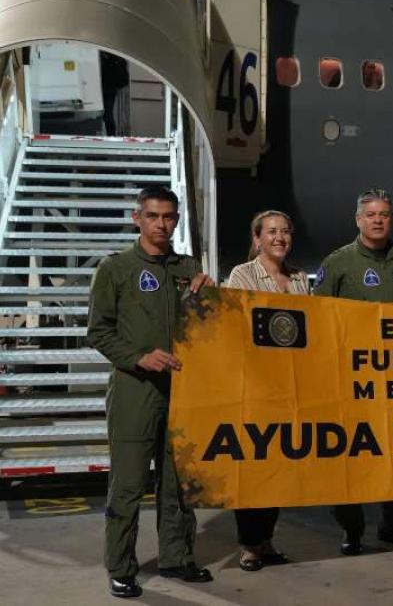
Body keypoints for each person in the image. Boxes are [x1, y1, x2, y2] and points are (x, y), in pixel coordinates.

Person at [87, 186, 215, 598]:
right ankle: (121, 566)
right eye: (154, 216)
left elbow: (204, 329)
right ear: (137, 218)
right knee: (128, 484)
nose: (162, 225)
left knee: (178, 483)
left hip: (183, 390)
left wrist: (208, 299)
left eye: (170, 217)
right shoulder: (116, 269)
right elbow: (98, 332)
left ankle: (177, 557)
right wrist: (139, 357)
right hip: (135, 390)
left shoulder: (188, 267)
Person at [312, 189, 393, 555]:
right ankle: (353, 530)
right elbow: (318, 317)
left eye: (385, 214)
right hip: (352, 381)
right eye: (371, 214)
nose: (378, 220)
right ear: (358, 219)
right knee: (353, 457)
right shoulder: (339, 263)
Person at [224, 211, 309, 570]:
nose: (280, 238)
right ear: (257, 238)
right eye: (272, 232)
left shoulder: (301, 279)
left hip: (292, 389)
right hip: (255, 387)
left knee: (278, 469)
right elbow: (231, 329)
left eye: (285, 232)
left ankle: (268, 540)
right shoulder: (242, 276)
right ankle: (249, 545)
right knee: (254, 470)